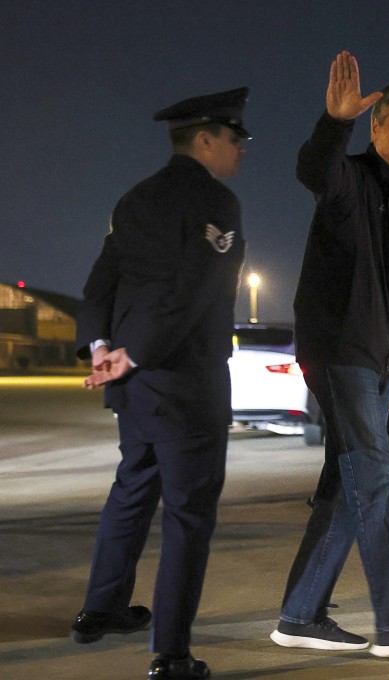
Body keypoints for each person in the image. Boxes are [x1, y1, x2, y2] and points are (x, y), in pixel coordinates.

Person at [269, 51, 389, 658]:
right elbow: (312, 169)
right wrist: (334, 121)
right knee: (375, 472)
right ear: (376, 127)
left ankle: (300, 615)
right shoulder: (346, 179)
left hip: (377, 362)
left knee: (345, 481)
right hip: (337, 349)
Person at [70, 87, 251, 680]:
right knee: (188, 516)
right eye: (234, 138)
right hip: (184, 386)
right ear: (206, 139)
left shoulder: (135, 199)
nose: (240, 150)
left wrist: (101, 347)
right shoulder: (216, 202)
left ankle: (100, 610)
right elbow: (194, 293)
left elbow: (101, 281)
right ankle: (170, 654)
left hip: (136, 388)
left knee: (131, 490)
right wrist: (135, 354)